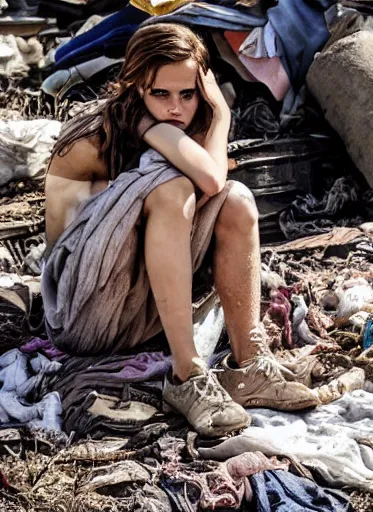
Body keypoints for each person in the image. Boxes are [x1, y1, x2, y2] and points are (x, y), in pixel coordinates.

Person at [43, 23, 320, 437]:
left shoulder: (170, 127)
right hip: (83, 313)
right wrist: (223, 114)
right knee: (174, 187)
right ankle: (186, 374)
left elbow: (217, 187)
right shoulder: (120, 126)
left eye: (187, 94)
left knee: (239, 199)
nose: (175, 107)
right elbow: (208, 178)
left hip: (140, 309)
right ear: (136, 88)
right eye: (161, 93)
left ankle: (248, 364)